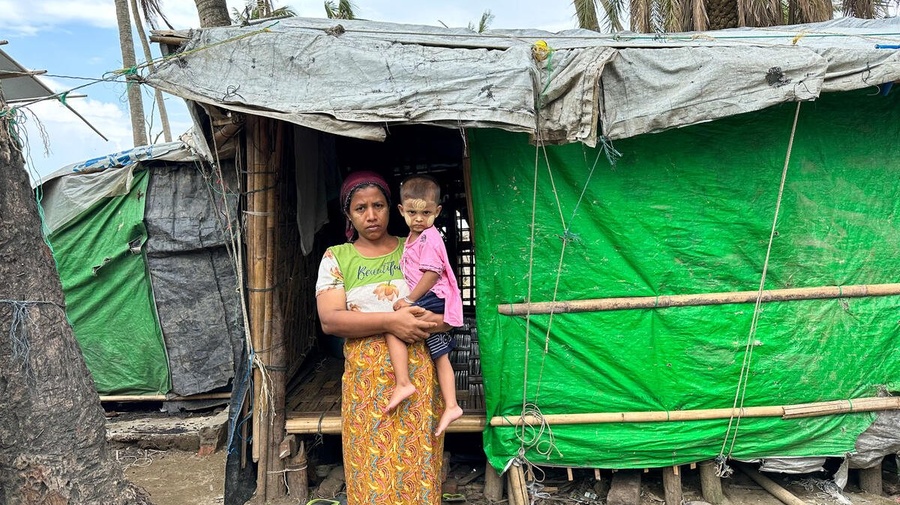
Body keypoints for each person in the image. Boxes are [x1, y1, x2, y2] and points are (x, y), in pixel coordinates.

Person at [315, 171, 449, 505]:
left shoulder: (417, 247)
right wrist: (391, 321)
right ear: (348, 215)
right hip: (366, 383)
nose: (371, 215)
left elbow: (449, 307)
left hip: (418, 375)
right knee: (370, 471)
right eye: (360, 208)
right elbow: (330, 320)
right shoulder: (337, 257)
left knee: (418, 468)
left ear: (394, 209)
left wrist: (432, 322)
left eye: (378, 205)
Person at [384, 175, 464, 437]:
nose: (419, 218)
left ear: (437, 212)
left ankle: (403, 383)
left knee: (393, 325)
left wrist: (408, 301)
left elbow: (431, 274)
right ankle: (452, 405)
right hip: (433, 297)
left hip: (434, 295)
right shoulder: (413, 237)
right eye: (412, 213)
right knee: (439, 352)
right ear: (401, 211)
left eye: (426, 213)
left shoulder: (428, 237)